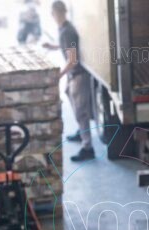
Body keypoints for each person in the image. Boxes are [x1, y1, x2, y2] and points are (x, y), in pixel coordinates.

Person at [43, 0, 94, 162]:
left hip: (78, 75)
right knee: (69, 96)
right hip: (73, 75)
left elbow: (72, 60)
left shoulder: (67, 31)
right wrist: (52, 46)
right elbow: (66, 46)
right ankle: (81, 133)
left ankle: (88, 147)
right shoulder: (64, 29)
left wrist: (59, 75)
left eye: (53, 13)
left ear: (57, 13)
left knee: (81, 112)